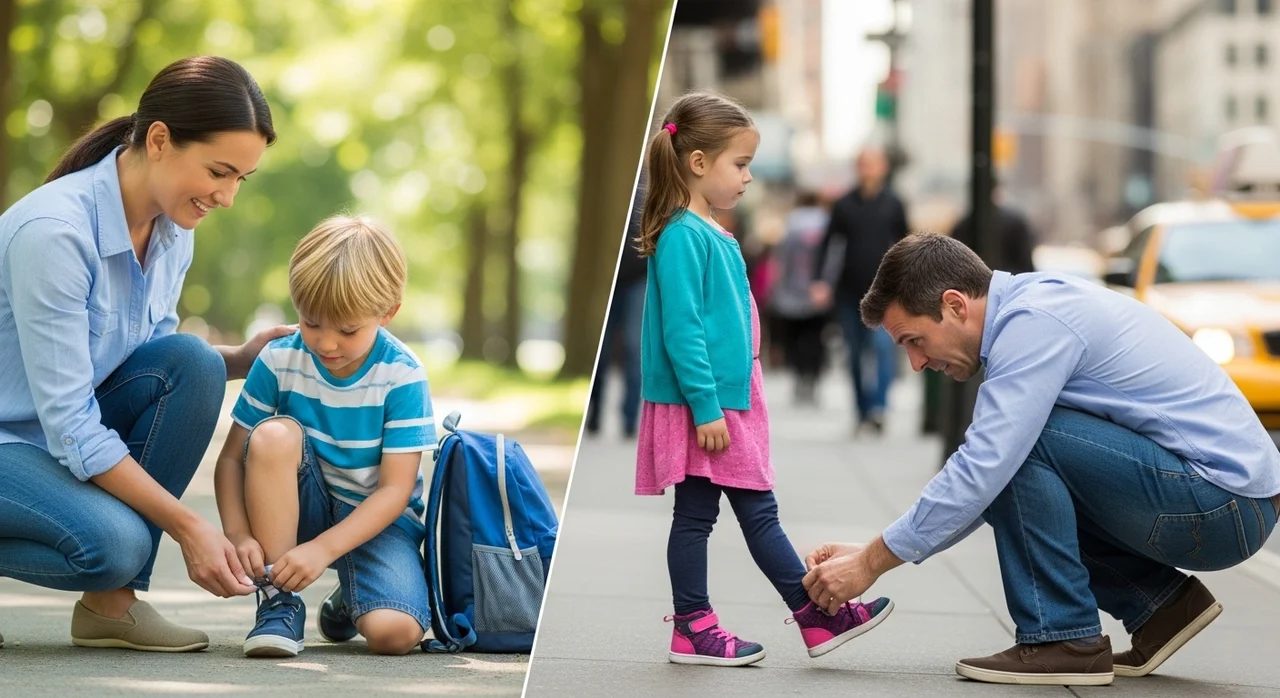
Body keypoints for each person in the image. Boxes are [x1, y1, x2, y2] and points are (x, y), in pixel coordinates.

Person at [802, 233, 1280, 686]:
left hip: (1221, 505)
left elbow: (986, 470)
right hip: (1222, 502)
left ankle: (1064, 638)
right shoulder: (1033, 308)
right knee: (1010, 449)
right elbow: (988, 489)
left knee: (1016, 445)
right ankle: (1160, 607)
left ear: (954, 305)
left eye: (914, 340)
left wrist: (870, 563)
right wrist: (872, 552)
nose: (917, 363)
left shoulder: (1034, 323)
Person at [0, 56, 290, 652]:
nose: (228, 197)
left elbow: (153, 359)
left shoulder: (171, 229)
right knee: (117, 545)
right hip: (12, 437)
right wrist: (189, 528)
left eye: (242, 179)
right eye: (219, 171)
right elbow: (73, 424)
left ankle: (111, 609)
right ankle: (114, 587)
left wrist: (239, 358)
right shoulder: (56, 232)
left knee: (198, 363)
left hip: (50, 436)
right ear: (159, 139)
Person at [634, 92, 894, 668]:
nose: (748, 177)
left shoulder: (706, 229)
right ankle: (790, 619)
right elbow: (683, 331)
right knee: (734, 513)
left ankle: (761, 623)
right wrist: (706, 408)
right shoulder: (683, 234)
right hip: (709, 405)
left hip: (728, 399)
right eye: (741, 163)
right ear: (698, 163)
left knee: (721, 514)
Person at [213, 215, 436, 657]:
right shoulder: (279, 359)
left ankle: (353, 599)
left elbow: (394, 490)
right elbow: (230, 460)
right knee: (273, 436)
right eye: (312, 323)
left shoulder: (402, 374)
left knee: (395, 636)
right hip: (302, 508)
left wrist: (323, 550)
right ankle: (280, 601)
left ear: (387, 312)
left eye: (348, 330)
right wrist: (238, 535)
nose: (326, 343)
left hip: (378, 521)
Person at [810, 147, 908, 435]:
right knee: (853, 353)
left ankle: (878, 407)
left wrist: (908, 283)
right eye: (863, 164)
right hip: (849, 291)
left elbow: (906, 244)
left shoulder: (894, 203)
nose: (867, 169)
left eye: (873, 164)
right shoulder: (843, 205)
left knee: (881, 348)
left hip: (884, 292)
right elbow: (827, 244)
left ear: (884, 167)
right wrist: (820, 281)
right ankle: (862, 409)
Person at [585, 173, 646, 438]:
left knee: (634, 347)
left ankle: (630, 419)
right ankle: (594, 415)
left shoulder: (648, 179)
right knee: (603, 350)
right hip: (611, 276)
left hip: (639, 276)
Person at [769, 191, 835, 405]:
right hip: (818, 292)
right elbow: (832, 259)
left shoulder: (791, 224)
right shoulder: (826, 222)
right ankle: (813, 378)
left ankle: (799, 377)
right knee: (816, 338)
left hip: (792, 293)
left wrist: (778, 289)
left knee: (795, 339)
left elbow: (782, 262)